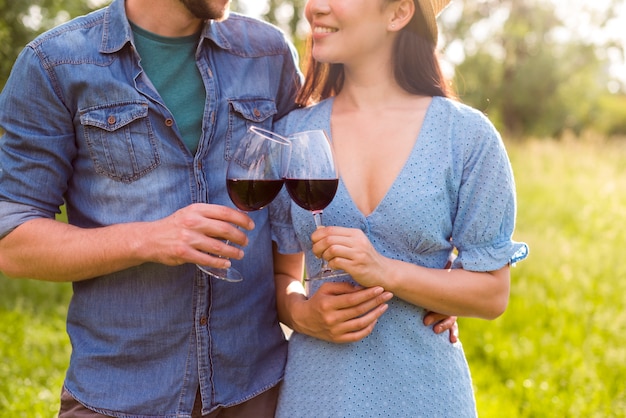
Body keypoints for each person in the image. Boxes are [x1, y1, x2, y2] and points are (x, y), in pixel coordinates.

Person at [0, 0, 304, 416]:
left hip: (257, 391)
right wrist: (149, 239)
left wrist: (417, 277)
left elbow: (302, 201)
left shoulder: (269, 53)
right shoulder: (53, 63)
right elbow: (12, 243)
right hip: (119, 396)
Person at [270, 0, 529, 416]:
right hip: (317, 393)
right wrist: (302, 314)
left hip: (426, 394)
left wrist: (386, 271)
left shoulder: (466, 136)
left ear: (398, 13)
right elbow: (283, 274)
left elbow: (492, 292)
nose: (314, 7)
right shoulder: (292, 133)